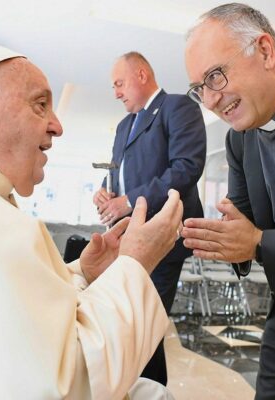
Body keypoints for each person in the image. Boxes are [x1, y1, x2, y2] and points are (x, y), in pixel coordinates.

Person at [0, 44, 183, 400]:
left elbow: (22, 322)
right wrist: (136, 261)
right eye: (40, 105)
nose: (57, 126)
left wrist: (81, 272)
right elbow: (72, 383)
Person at [183, 3, 275, 399]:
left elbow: (257, 239)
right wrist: (209, 235)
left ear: (264, 51)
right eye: (199, 89)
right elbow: (242, 225)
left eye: (215, 76)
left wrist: (260, 242)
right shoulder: (239, 140)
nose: (210, 100)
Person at [93, 51, 206, 385]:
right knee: (132, 323)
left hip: (162, 238)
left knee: (143, 324)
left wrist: (129, 201)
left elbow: (185, 168)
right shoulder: (123, 125)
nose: (116, 93)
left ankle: (148, 389)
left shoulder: (177, 107)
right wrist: (106, 191)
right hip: (125, 239)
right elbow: (120, 171)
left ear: (141, 75)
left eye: (119, 83)